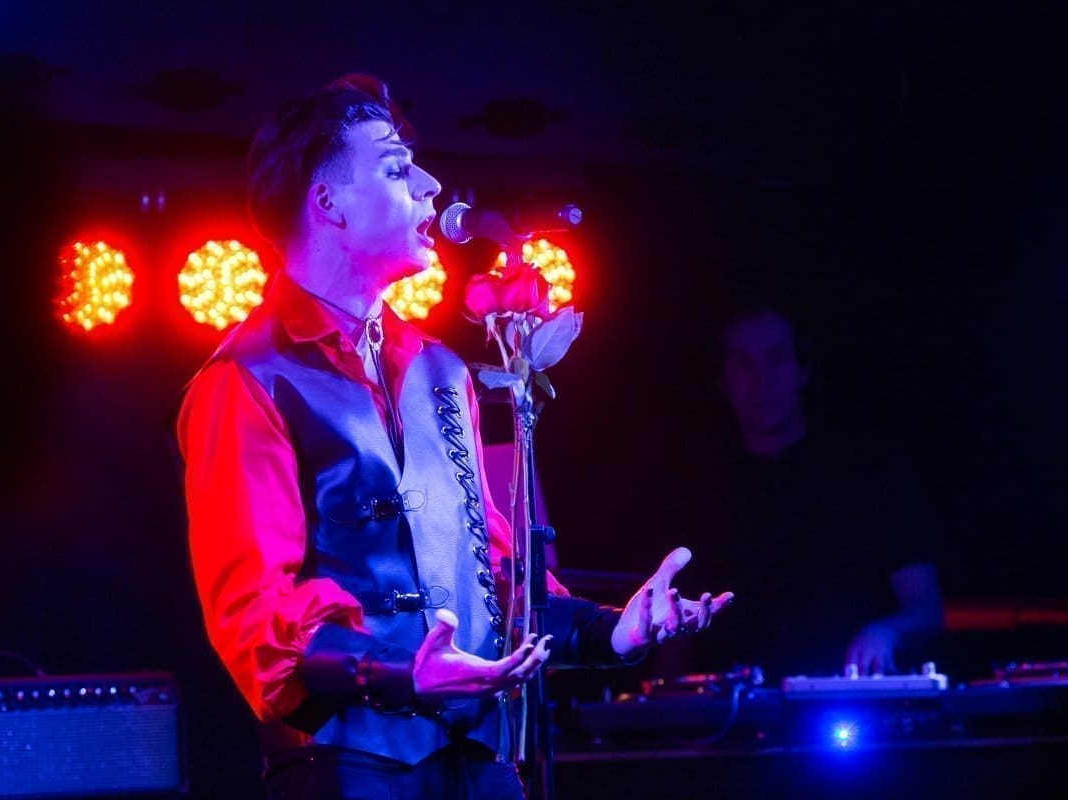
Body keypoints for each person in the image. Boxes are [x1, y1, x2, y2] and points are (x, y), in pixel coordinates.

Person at [173, 72, 733, 800]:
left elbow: (489, 572)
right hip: (349, 770)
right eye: (396, 168)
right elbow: (254, 615)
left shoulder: (438, 370)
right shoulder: (247, 381)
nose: (432, 186)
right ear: (328, 202)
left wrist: (610, 632)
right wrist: (398, 670)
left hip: (480, 763)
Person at [664, 302, 943, 683]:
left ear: (803, 371)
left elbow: (925, 608)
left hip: (851, 696)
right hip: (736, 707)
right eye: (744, 363)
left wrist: (885, 631)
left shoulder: (870, 472)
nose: (762, 379)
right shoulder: (695, 490)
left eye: (776, 358)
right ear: (724, 383)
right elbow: (672, 630)